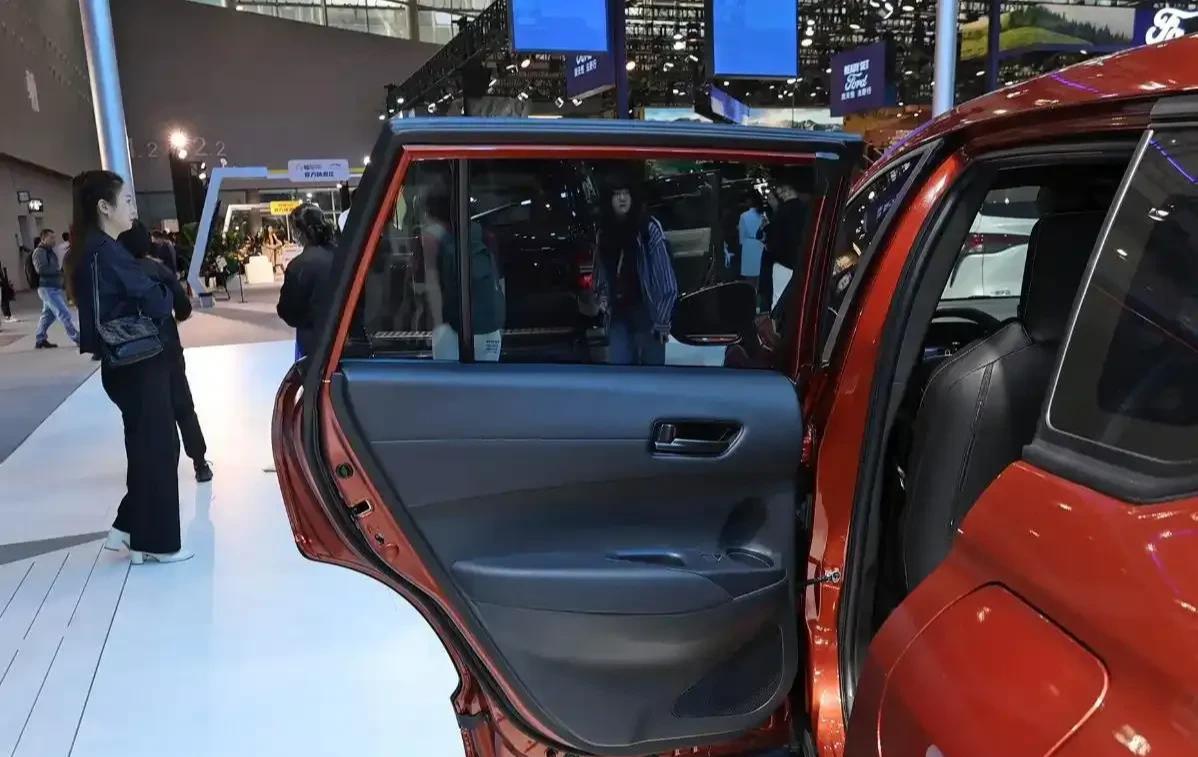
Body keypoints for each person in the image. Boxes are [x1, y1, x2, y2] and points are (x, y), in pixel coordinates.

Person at [66, 169, 192, 564]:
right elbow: (157, 301)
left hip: (125, 363)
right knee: (158, 448)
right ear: (104, 207)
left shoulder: (94, 249)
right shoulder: (106, 253)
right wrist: (162, 289)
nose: (133, 208)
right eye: (127, 200)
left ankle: (132, 529)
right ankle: (157, 543)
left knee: (147, 448)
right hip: (137, 363)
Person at [119, 220, 213, 483]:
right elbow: (184, 308)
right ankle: (200, 463)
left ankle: (160, 467)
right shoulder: (159, 270)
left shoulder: (115, 274)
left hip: (133, 353)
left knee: (146, 412)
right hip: (167, 346)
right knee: (183, 405)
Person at [413, 180, 505, 362]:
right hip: (490, 326)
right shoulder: (482, 232)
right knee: (487, 377)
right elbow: (499, 280)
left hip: (451, 327)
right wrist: (499, 323)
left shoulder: (431, 236)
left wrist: (437, 325)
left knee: (450, 378)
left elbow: (433, 285)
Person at [593, 176, 678, 366]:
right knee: (621, 373)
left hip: (648, 315)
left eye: (626, 193)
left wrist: (662, 321)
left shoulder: (649, 229)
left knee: (653, 375)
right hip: (618, 315)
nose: (622, 198)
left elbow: (665, 279)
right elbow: (600, 273)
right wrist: (603, 301)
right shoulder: (603, 233)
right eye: (616, 194)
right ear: (608, 200)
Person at [277, 203, 337, 361]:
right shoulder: (344, 255)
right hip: (348, 336)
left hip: (313, 341)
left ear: (299, 232)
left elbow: (288, 311)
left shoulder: (299, 266)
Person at [759, 174, 808, 310]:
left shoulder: (782, 212)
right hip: (799, 261)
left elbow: (774, 242)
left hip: (783, 264)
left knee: (778, 302)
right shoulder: (806, 208)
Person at [32, 229, 81, 349]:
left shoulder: (49, 251)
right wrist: (59, 272)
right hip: (47, 288)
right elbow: (41, 269)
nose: (54, 240)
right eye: (51, 238)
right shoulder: (39, 252)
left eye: (54, 237)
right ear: (44, 239)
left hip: (53, 287)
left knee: (47, 316)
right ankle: (78, 338)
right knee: (64, 313)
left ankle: (40, 338)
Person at [738, 193, 766, 287]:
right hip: (760, 244)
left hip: (748, 245)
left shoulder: (743, 216)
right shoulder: (762, 215)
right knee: (760, 272)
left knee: (750, 275)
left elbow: (742, 235)